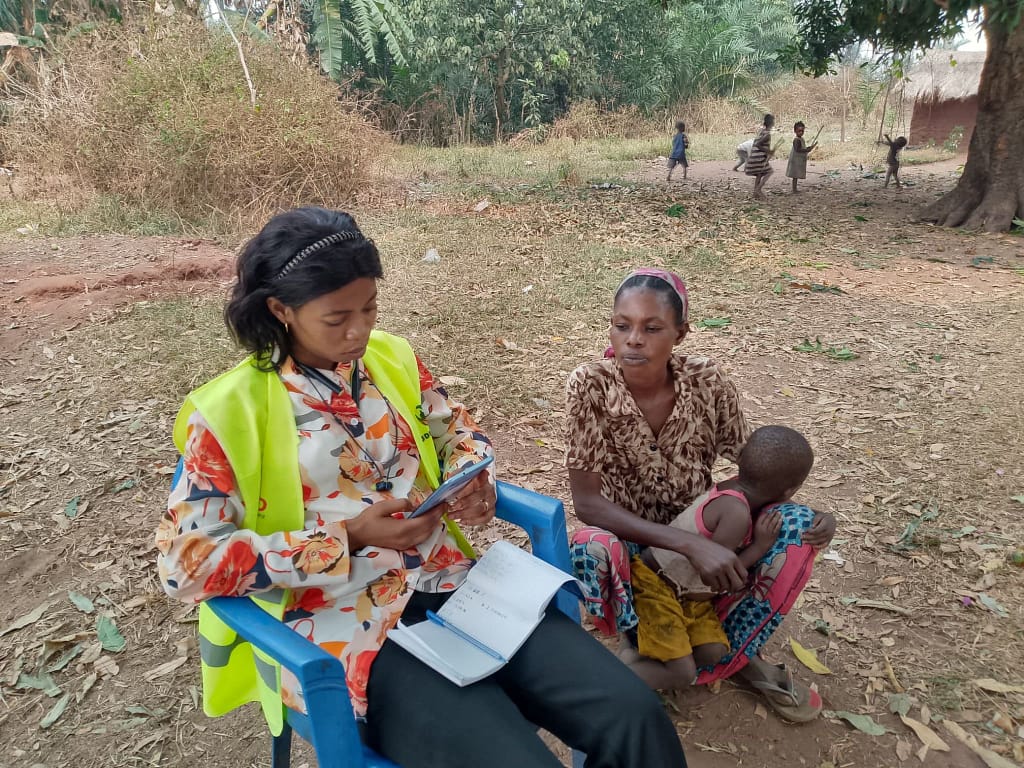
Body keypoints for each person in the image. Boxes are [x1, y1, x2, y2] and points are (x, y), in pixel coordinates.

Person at [155, 207, 687, 768]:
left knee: (634, 716)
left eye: (369, 307)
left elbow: (459, 432)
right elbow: (183, 564)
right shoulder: (228, 414)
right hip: (341, 621)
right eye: (337, 318)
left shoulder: (393, 359)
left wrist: (474, 477)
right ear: (280, 309)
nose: (360, 331)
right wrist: (349, 538)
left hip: (454, 583)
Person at [566, 268, 837, 723]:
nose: (633, 339)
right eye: (622, 325)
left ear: (680, 333)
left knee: (795, 528)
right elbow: (588, 504)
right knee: (590, 547)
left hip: (705, 526)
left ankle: (732, 648)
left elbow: (756, 466)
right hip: (632, 544)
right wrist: (690, 545)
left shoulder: (706, 381)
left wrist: (811, 514)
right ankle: (649, 642)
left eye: (652, 328)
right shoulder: (591, 385)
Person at [627, 426, 815, 691]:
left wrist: (823, 519)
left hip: (687, 595)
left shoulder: (735, 487)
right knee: (683, 673)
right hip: (657, 585)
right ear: (789, 491)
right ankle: (611, 677)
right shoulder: (736, 514)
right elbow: (712, 575)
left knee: (714, 650)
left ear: (742, 459)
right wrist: (759, 547)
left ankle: (648, 659)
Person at [745, 114, 775, 200]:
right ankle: (758, 189)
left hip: (753, 157)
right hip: (759, 159)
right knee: (770, 172)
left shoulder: (761, 131)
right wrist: (769, 151)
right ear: (771, 123)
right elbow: (758, 144)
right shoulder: (767, 134)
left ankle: (755, 193)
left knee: (759, 174)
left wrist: (768, 152)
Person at [785, 121, 817, 193]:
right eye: (799, 131)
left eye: (802, 131)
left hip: (798, 159)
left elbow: (802, 148)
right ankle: (794, 189)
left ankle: (795, 189)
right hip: (795, 160)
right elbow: (798, 149)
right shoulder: (796, 140)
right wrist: (807, 150)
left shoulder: (801, 139)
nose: (801, 132)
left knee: (796, 175)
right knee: (795, 175)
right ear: (795, 131)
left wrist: (808, 148)